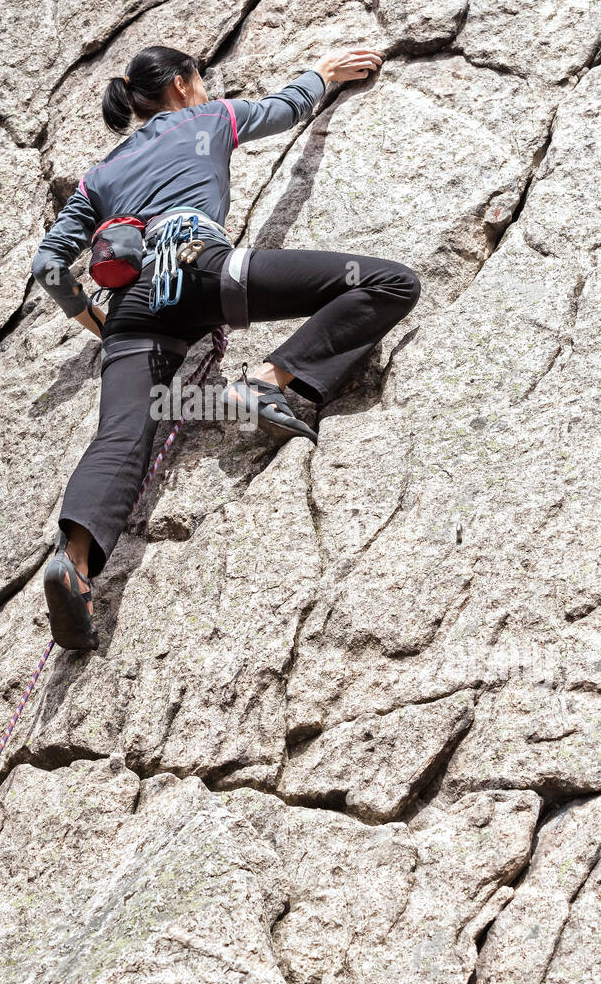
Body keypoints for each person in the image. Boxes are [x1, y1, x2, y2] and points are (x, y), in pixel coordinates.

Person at [32, 45, 420, 649]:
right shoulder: (207, 118)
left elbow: (49, 264)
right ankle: (268, 380)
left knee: (121, 436)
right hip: (209, 274)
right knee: (387, 281)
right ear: (185, 84)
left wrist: (98, 322)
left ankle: (74, 562)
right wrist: (322, 74)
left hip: (134, 311)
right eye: (201, 80)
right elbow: (284, 108)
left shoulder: (98, 178)